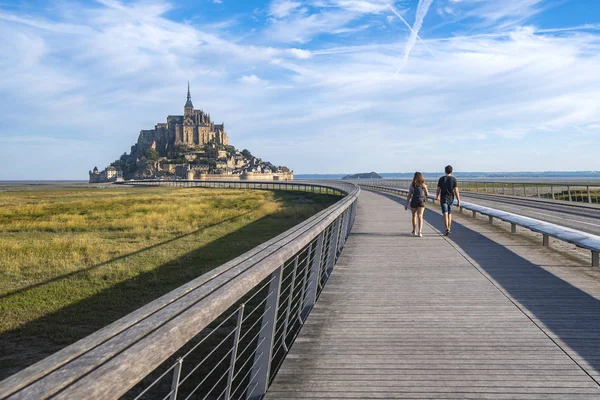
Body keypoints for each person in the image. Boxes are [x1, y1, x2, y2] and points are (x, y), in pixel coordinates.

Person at [436, 165, 460, 236]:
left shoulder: (441, 179)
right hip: (451, 198)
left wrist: (437, 197)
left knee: (445, 213)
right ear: (451, 171)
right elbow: (456, 191)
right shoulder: (454, 179)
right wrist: (459, 200)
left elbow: (438, 189)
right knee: (449, 214)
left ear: (445, 171)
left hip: (443, 198)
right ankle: (449, 228)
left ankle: (447, 228)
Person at [405, 172, 428, 237]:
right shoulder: (424, 184)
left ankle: (414, 230)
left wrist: (406, 203)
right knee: (420, 216)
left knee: (414, 216)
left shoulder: (412, 184)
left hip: (414, 201)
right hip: (421, 201)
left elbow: (409, 195)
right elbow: (427, 194)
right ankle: (420, 232)